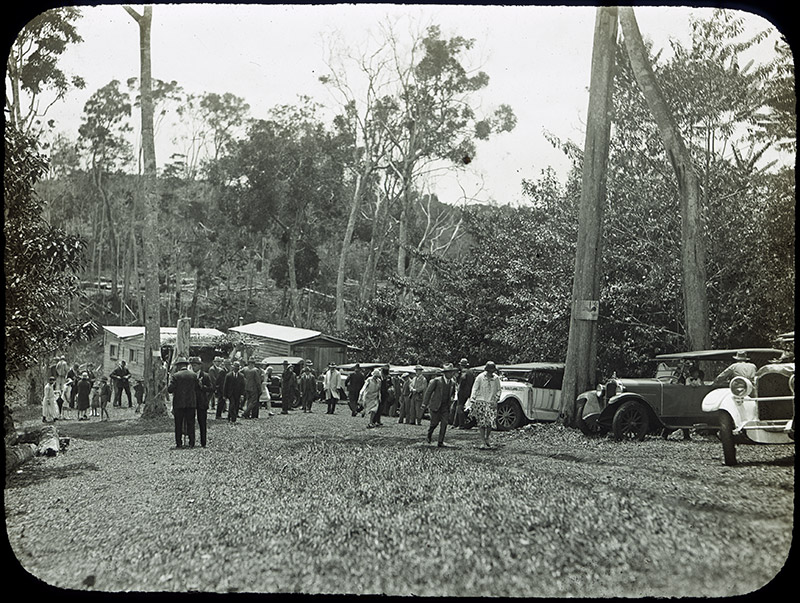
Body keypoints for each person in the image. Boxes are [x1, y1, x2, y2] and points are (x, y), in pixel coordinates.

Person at [468, 361, 502, 449]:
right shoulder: (480, 377)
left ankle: (487, 438)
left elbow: (499, 390)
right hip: (481, 401)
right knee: (481, 423)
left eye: (492, 371)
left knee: (490, 422)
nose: (491, 373)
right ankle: (482, 440)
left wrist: (496, 399)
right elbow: (475, 388)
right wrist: (472, 399)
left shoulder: (496, 378)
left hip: (491, 401)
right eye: (490, 371)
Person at [424, 364, 458, 447]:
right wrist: (424, 403)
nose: (451, 374)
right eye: (449, 373)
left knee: (444, 423)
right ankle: (429, 434)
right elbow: (428, 392)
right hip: (435, 405)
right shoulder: (437, 381)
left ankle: (440, 441)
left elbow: (453, 393)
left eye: (452, 372)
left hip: (445, 406)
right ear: (445, 373)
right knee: (434, 423)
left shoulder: (452, 383)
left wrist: (452, 400)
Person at [168, 357, 198, 448]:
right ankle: (192, 442)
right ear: (186, 365)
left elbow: (170, 389)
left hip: (179, 404)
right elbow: (197, 388)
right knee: (191, 423)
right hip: (191, 403)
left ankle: (179, 443)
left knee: (178, 424)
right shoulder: (193, 375)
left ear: (179, 366)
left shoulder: (175, 376)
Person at [191, 356, 214, 447]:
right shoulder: (190, 375)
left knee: (202, 423)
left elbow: (211, 388)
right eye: (192, 365)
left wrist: (202, 386)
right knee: (191, 422)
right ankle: (191, 442)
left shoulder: (205, 376)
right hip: (191, 401)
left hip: (201, 402)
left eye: (195, 365)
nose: (193, 367)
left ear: (200, 366)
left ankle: (203, 442)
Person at [454, 358, 475, 429]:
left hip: (462, 392)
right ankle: (456, 423)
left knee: (460, 407)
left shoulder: (463, 372)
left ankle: (461, 424)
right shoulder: (471, 372)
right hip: (469, 391)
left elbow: (462, 381)